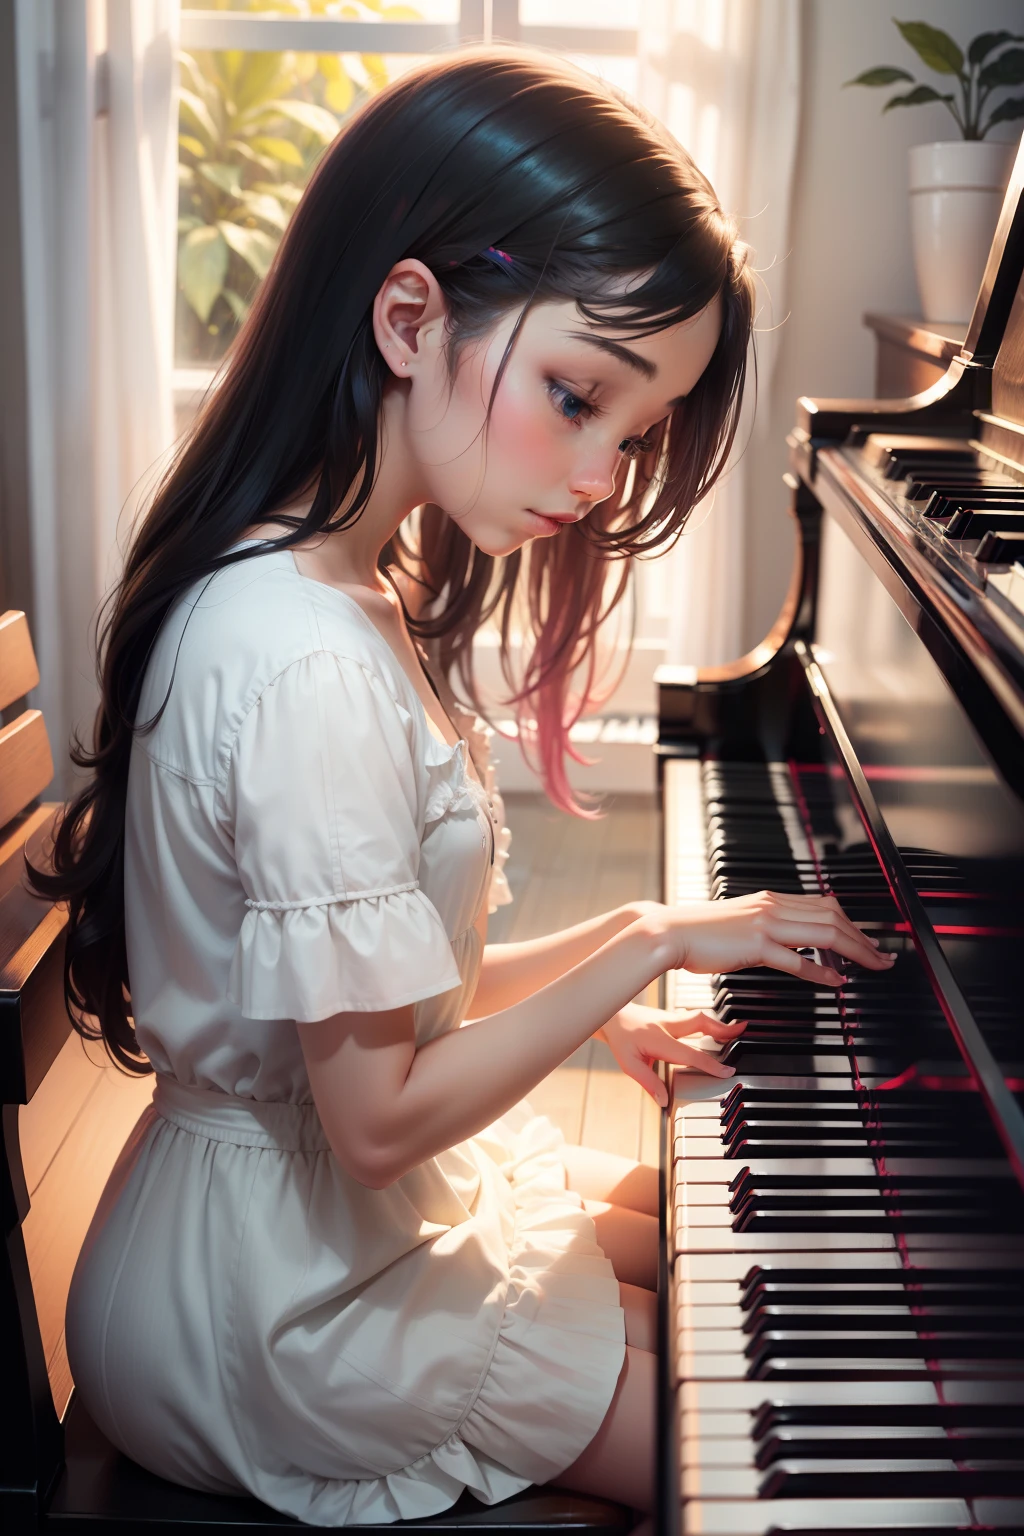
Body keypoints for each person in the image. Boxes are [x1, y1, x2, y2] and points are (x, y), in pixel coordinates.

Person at [30, 46, 895, 1531]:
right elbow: (375, 1116)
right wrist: (644, 944)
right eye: (578, 396)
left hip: (300, 1225)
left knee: (699, 1278)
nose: (600, 475)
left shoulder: (336, 587)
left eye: (631, 433)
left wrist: (628, 941)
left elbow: (388, 988)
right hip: (270, 1301)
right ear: (411, 316)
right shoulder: (301, 652)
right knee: (752, 1422)